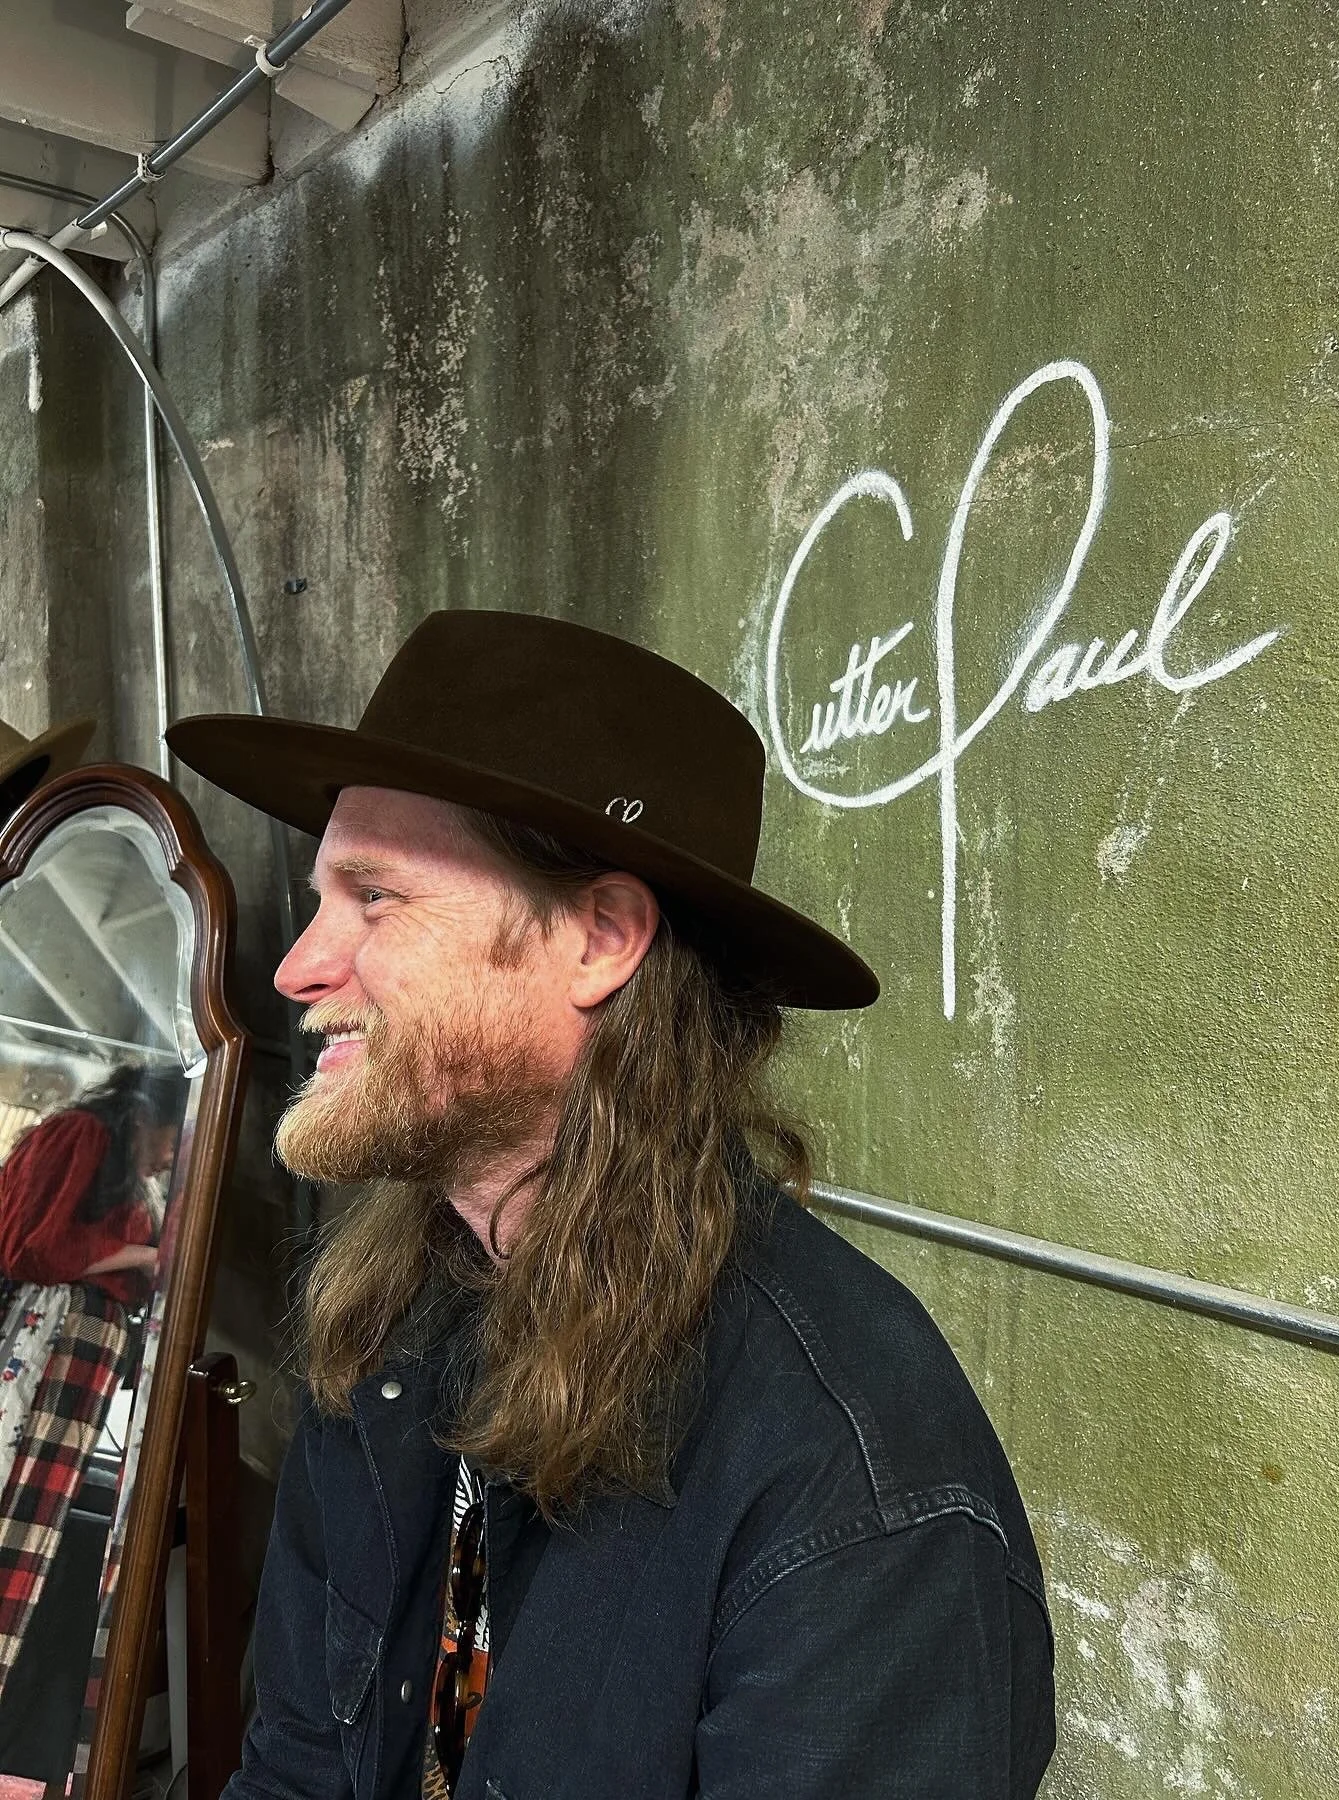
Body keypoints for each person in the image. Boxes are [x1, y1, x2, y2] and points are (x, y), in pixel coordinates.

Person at [168, 610, 1056, 1800]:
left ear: (600, 939)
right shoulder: (388, 1325)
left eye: (373, 898)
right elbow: (296, 1775)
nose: (299, 967)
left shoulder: (849, 1475)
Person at [0, 1063, 184, 1306]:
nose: (172, 1160)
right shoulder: (82, 1132)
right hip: (43, 1316)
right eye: (173, 1145)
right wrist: (143, 1257)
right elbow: (31, 1247)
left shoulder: (136, 1181)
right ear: (142, 1117)